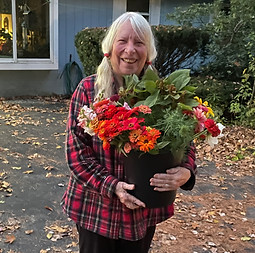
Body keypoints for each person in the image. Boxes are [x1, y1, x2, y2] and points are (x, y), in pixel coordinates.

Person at [61, 12, 197, 253]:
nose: (130, 50)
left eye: (139, 42)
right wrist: (112, 186)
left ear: (149, 52)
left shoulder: (164, 94)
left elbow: (185, 142)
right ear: (110, 46)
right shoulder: (88, 90)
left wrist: (186, 171)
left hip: (142, 210)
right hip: (96, 208)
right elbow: (76, 154)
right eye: (122, 41)